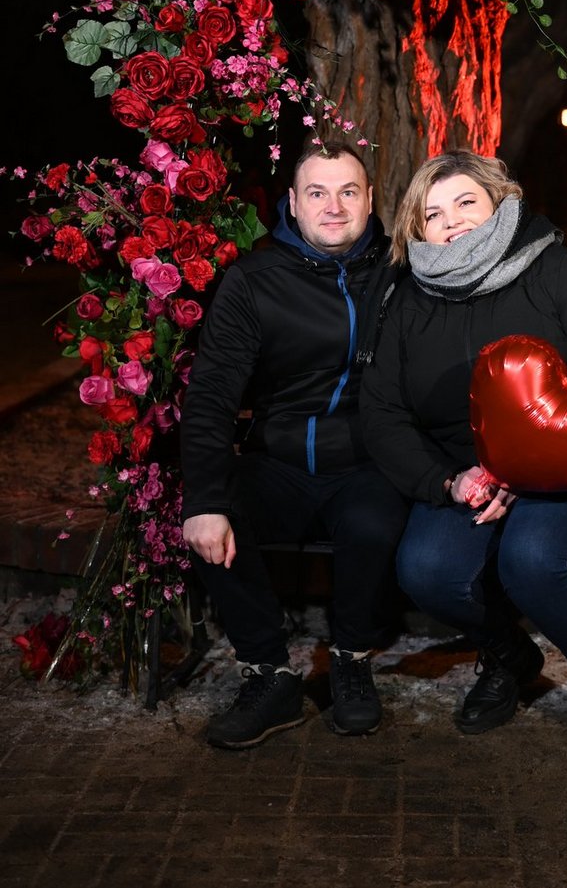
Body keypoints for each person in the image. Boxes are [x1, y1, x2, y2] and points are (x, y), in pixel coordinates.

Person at [359, 150, 567, 776]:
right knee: (426, 568)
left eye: (467, 202)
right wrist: (450, 479)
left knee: (534, 558)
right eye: (433, 214)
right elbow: (382, 413)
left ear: (500, 201)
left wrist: (534, 462)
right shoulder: (409, 299)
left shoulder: (550, 269)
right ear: (419, 230)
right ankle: (509, 655)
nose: (453, 221)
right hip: (473, 478)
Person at [181, 139, 409, 749]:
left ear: (368, 201)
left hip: (366, 461)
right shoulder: (253, 281)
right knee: (216, 521)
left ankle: (352, 661)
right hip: (277, 458)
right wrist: (204, 497)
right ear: (293, 204)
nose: (332, 206)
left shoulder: (403, 271)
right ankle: (269, 672)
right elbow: (210, 396)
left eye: (347, 192)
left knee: (372, 523)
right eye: (317, 193)